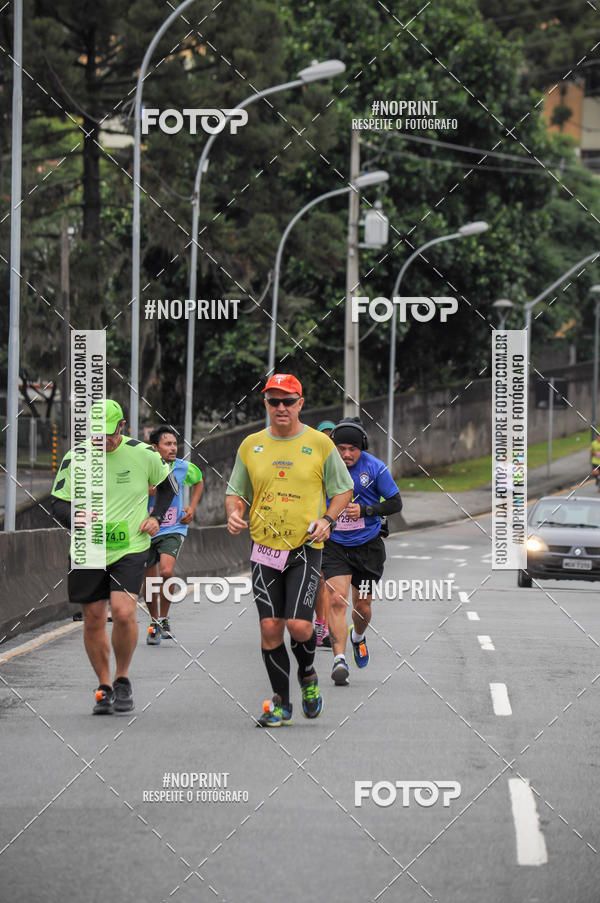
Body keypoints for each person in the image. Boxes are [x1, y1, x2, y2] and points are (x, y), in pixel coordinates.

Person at [225, 374, 353, 727]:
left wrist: (327, 519)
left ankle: (308, 675)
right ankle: (281, 703)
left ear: (300, 403)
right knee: (270, 627)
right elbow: (235, 491)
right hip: (264, 548)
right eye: (273, 401)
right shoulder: (251, 445)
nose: (280, 407)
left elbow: (343, 490)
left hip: (305, 547)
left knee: (298, 625)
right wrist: (234, 513)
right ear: (265, 404)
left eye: (287, 401)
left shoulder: (320, 444)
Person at [50, 400, 178, 714]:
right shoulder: (76, 456)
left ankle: (123, 678)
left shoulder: (143, 453)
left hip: (130, 546)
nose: (103, 440)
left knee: (122, 613)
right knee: (93, 619)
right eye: (97, 434)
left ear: (121, 427)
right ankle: (104, 685)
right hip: (87, 548)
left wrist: (157, 518)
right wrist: (77, 517)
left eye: (108, 434)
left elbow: (168, 488)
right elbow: (57, 504)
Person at [322, 418, 402, 686]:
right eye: (341, 448)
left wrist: (367, 511)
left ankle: (357, 636)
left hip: (368, 547)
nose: (346, 454)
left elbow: (395, 502)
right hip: (335, 545)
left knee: (363, 607)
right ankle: (339, 659)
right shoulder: (324, 466)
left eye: (352, 449)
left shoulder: (375, 468)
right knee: (336, 600)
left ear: (362, 448)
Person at [144, 426, 204, 644]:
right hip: (145, 530)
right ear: (154, 447)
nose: (173, 448)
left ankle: (164, 617)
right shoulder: (144, 467)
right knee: (149, 579)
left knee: (167, 572)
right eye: (167, 444)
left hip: (173, 528)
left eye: (174, 444)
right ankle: (154, 624)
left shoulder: (182, 467)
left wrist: (192, 507)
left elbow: (198, 481)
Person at [314, 420, 336, 647]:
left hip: (337, 528)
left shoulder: (341, 463)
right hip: (315, 526)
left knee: (330, 581)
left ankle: (326, 625)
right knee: (319, 579)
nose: (328, 440)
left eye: (332, 436)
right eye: (324, 436)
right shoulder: (311, 461)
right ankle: (321, 625)